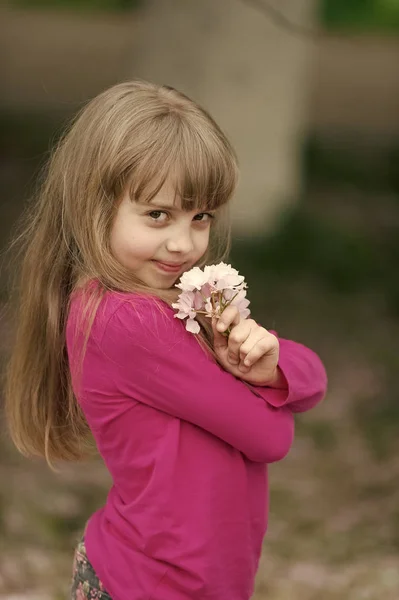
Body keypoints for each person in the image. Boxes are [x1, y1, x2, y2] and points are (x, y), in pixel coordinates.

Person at [4, 80, 327, 600]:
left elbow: (310, 378)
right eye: (158, 215)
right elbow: (272, 439)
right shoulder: (128, 321)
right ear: (93, 207)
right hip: (155, 584)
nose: (184, 243)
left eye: (201, 217)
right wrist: (262, 381)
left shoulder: (177, 300)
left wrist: (269, 369)